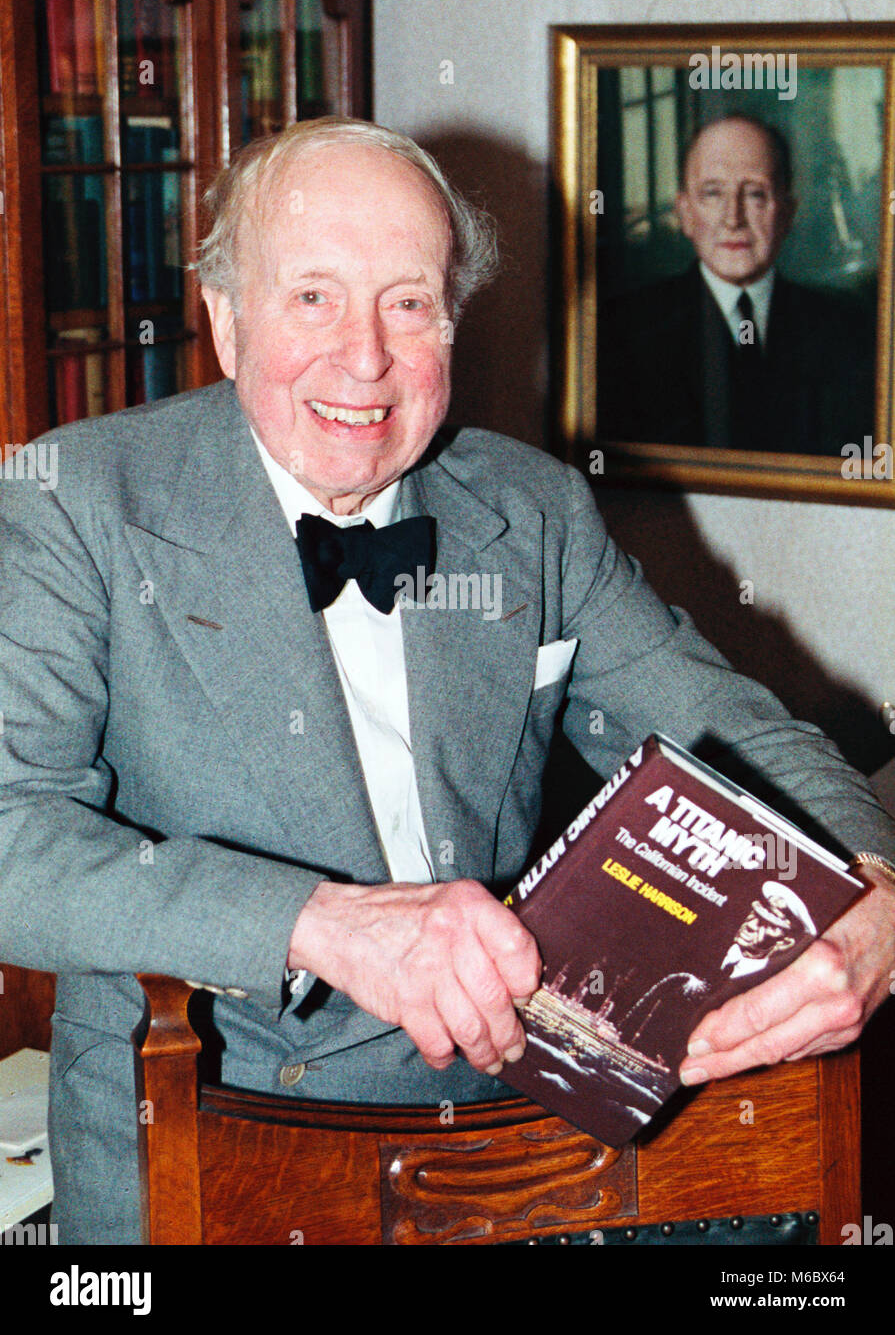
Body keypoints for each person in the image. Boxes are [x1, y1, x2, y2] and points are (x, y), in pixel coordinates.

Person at [1, 117, 894, 1245]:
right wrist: (324, 924)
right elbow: (9, 838)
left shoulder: (530, 508)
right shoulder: (74, 501)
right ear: (225, 322)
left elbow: (736, 737)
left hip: (520, 1134)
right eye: (312, 297)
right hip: (213, 1141)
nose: (364, 358)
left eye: (408, 302)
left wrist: (878, 893)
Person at [598, 114, 876, 454]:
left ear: (787, 212)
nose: (733, 218)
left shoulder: (848, 328)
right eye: (713, 193)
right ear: (684, 213)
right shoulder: (626, 331)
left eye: (755, 194)